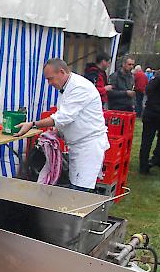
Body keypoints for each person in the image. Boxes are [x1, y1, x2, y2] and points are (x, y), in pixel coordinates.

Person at [15, 59, 109, 192]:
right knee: (74, 187)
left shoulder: (79, 87)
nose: (49, 83)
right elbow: (67, 117)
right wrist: (55, 132)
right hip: (77, 145)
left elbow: (63, 117)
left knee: (80, 190)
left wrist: (33, 124)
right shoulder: (67, 88)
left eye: (50, 79)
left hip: (88, 147)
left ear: (62, 72)